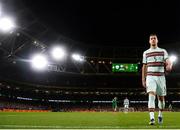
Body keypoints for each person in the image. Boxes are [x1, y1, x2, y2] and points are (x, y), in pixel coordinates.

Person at [142, 33, 172, 125]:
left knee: (161, 99)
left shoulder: (163, 51)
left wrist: (169, 65)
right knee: (151, 95)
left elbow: (168, 61)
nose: (153, 40)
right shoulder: (146, 52)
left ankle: (160, 114)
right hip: (150, 77)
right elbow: (144, 66)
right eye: (151, 38)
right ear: (149, 41)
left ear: (157, 40)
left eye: (154, 38)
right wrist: (143, 79)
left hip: (161, 77)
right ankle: (152, 119)